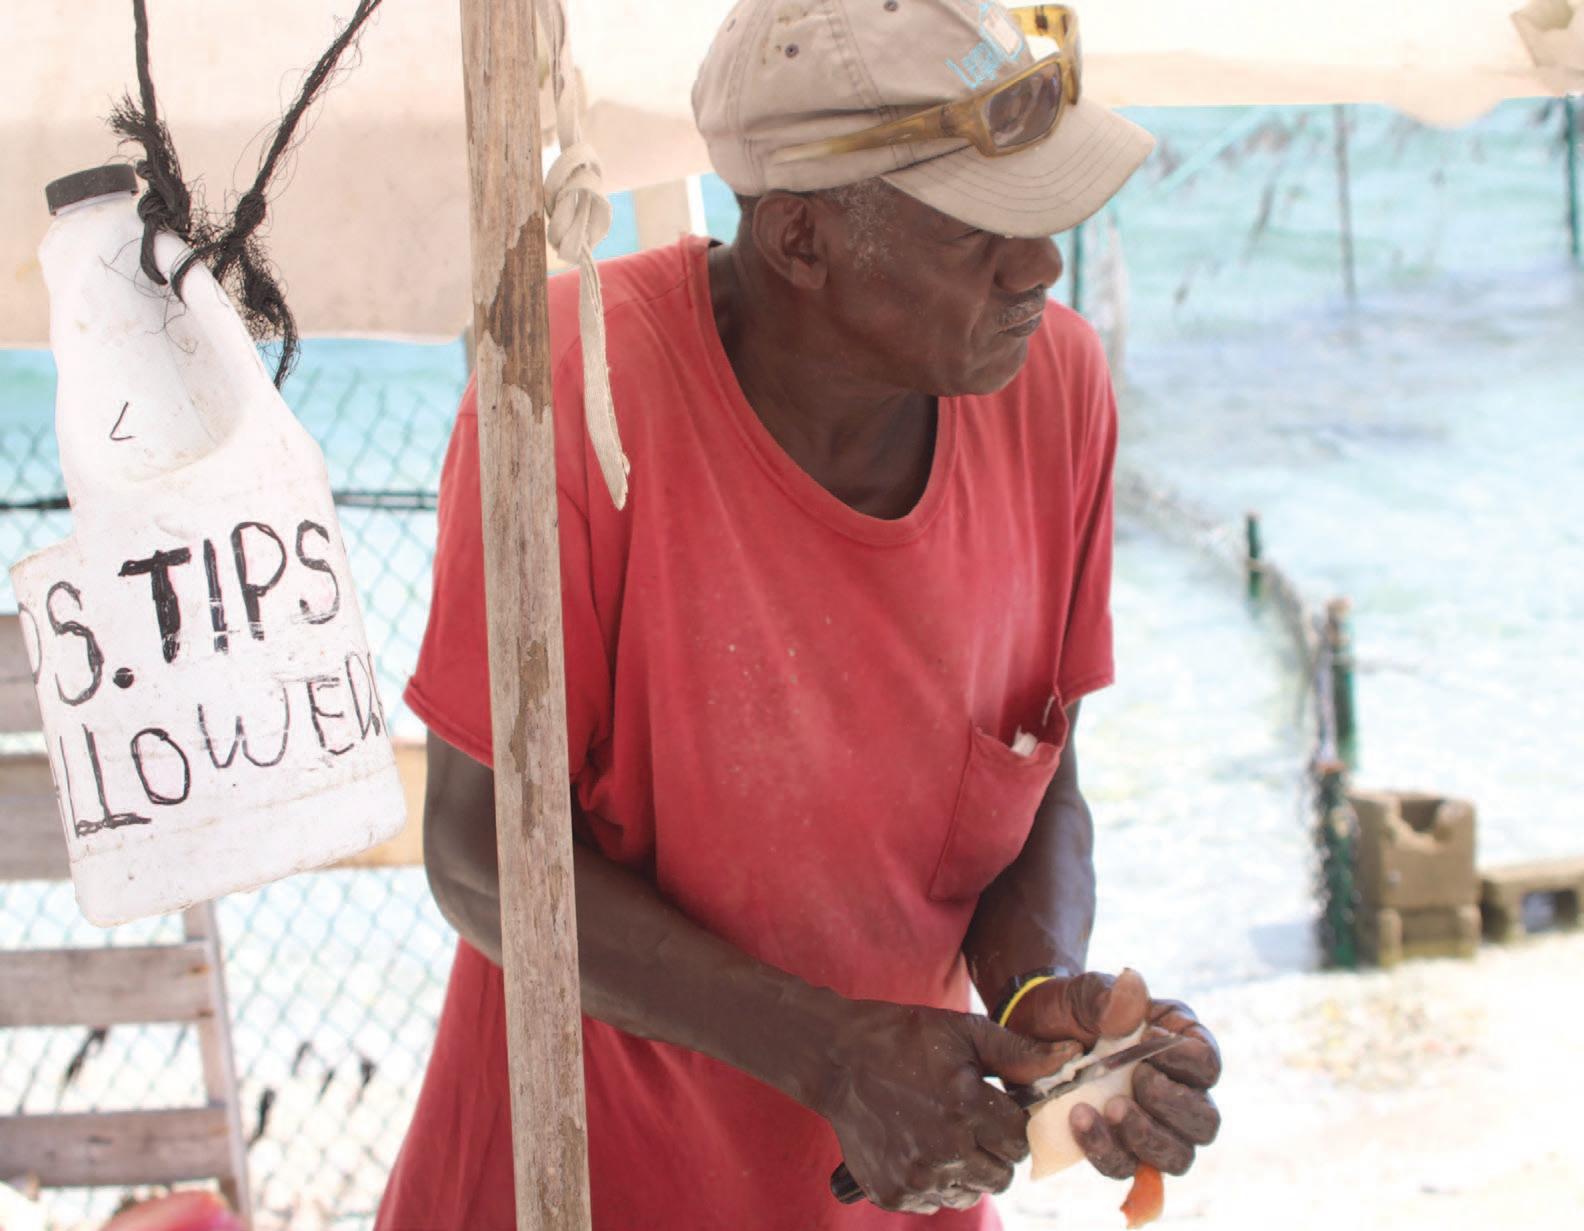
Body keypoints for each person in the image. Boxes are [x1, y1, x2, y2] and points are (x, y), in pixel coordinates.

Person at [376, 2, 1221, 1227]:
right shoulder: (572, 391)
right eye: (979, 228)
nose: (1040, 265)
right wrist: (829, 1053)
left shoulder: (1056, 387)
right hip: (573, 1178)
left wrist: (1038, 1000)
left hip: (895, 1185)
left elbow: (1041, 789)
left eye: (1039, 212)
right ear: (803, 239)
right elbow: (478, 853)